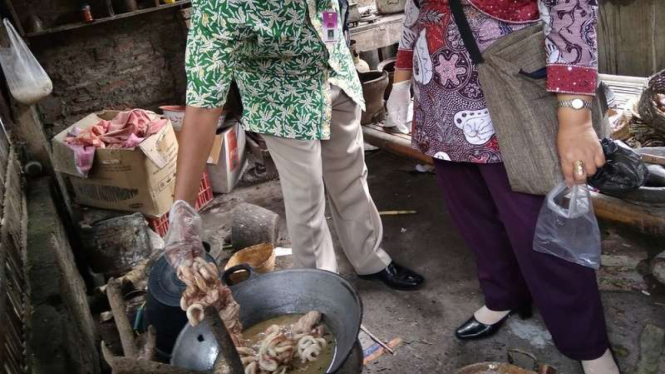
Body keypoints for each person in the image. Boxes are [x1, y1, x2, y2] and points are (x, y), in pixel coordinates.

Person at [386, 0, 620, 373]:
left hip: (514, 95)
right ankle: (503, 295)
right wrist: (400, 79)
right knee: (472, 218)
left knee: (541, 231)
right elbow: (415, 11)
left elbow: (570, 9)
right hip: (440, 98)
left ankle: (585, 340)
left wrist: (575, 117)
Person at [171, 0, 424, 290]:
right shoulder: (220, 6)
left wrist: (335, 44)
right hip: (283, 101)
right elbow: (203, 105)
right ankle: (323, 288)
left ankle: (370, 259)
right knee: (306, 200)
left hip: (337, 75)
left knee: (352, 179)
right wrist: (182, 208)